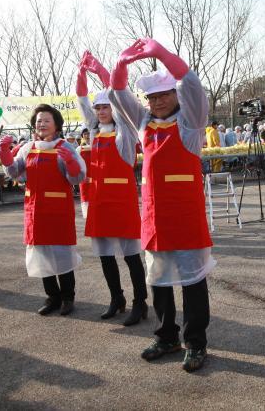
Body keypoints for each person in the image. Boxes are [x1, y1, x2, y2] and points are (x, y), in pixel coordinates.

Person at [110, 37, 215, 372]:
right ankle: (166, 335)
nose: (157, 101)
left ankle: (196, 342)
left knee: (192, 283)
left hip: (185, 219)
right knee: (159, 280)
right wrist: (120, 67)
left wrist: (162, 54)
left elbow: (194, 85)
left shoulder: (190, 124)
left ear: (176, 96)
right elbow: (119, 96)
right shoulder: (144, 126)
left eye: (164, 94)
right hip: (155, 220)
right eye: (152, 97)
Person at [75, 50, 148, 326]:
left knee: (131, 256)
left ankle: (140, 303)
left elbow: (118, 97)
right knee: (105, 255)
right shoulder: (94, 132)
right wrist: (81, 74)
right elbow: (81, 99)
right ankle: (116, 298)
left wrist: (102, 71)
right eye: (98, 108)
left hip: (122, 201)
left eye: (105, 107)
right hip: (99, 202)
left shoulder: (126, 132)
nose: (101, 111)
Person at [0, 104, 86, 316]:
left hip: (58, 212)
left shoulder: (65, 147)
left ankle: (68, 297)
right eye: (39, 121)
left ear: (56, 125)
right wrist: (5, 155)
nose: (42, 124)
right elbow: (14, 172)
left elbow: (77, 178)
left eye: (47, 120)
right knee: (42, 256)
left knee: (62, 255)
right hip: (35, 211)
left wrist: (71, 162)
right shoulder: (28, 148)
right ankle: (52, 297)